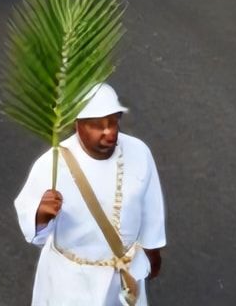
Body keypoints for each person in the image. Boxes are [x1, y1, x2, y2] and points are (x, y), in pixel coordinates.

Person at [14, 83, 165, 305]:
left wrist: (153, 250)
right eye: (98, 125)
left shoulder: (138, 152)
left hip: (123, 277)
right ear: (78, 125)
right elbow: (35, 232)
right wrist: (40, 216)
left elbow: (151, 207)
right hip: (73, 282)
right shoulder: (52, 165)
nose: (110, 132)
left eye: (113, 121)